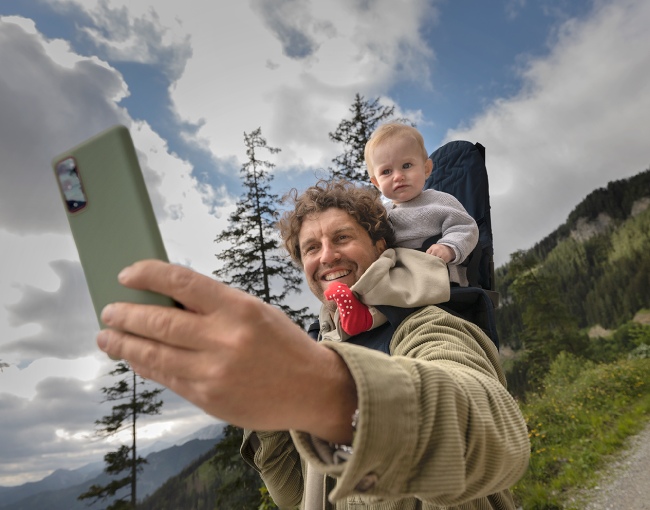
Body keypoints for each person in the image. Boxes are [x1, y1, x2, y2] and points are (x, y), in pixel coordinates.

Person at [96, 179, 529, 510]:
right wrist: (263, 403)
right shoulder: (320, 350)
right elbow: (293, 496)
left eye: (342, 238)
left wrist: (325, 390)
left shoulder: (426, 323)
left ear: (380, 247)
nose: (326, 256)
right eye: (310, 248)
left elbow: (498, 438)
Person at [324, 122, 479, 338]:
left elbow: (465, 227)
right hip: (397, 273)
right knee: (379, 273)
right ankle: (359, 315)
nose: (398, 176)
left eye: (406, 166)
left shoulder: (439, 201)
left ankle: (362, 314)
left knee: (390, 282)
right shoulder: (382, 213)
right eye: (387, 171)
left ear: (426, 169)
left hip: (432, 271)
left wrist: (449, 247)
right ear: (376, 182)